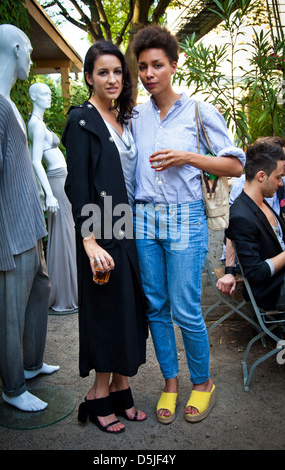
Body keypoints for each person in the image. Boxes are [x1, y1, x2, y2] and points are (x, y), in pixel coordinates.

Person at [131, 25, 246, 424]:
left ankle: (202, 383)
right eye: (143, 66)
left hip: (184, 216)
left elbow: (235, 163)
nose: (149, 73)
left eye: (157, 65)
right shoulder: (136, 115)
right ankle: (170, 382)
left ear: (174, 65)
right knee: (156, 306)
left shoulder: (198, 109)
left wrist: (187, 157)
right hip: (143, 218)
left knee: (184, 306)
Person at [62, 41, 148, 434]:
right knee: (107, 314)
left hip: (127, 227)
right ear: (89, 77)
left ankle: (121, 385)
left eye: (117, 72)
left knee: (129, 310)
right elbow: (77, 184)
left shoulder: (123, 117)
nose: (112, 79)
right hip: (100, 230)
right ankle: (98, 394)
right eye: (103, 72)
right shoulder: (82, 120)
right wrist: (89, 240)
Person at [0, 24, 59, 412]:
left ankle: (31, 366)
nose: (32, 58)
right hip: (8, 232)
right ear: (16, 49)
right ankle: (12, 388)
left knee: (37, 295)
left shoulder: (8, 101)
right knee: (10, 314)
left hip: (29, 228)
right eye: (29, 50)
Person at [28, 82, 78, 313]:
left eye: (50, 92)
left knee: (66, 234)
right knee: (63, 234)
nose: (50, 96)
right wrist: (47, 193)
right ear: (34, 97)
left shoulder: (39, 123)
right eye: (45, 94)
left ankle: (67, 290)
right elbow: (34, 160)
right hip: (56, 183)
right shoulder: (36, 126)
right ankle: (63, 295)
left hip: (59, 181)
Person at [217, 136, 285, 296]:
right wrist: (229, 270)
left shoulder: (260, 200)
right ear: (261, 176)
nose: (281, 182)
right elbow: (256, 273)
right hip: (273, 289)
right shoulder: (241, 215)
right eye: (278, 177)